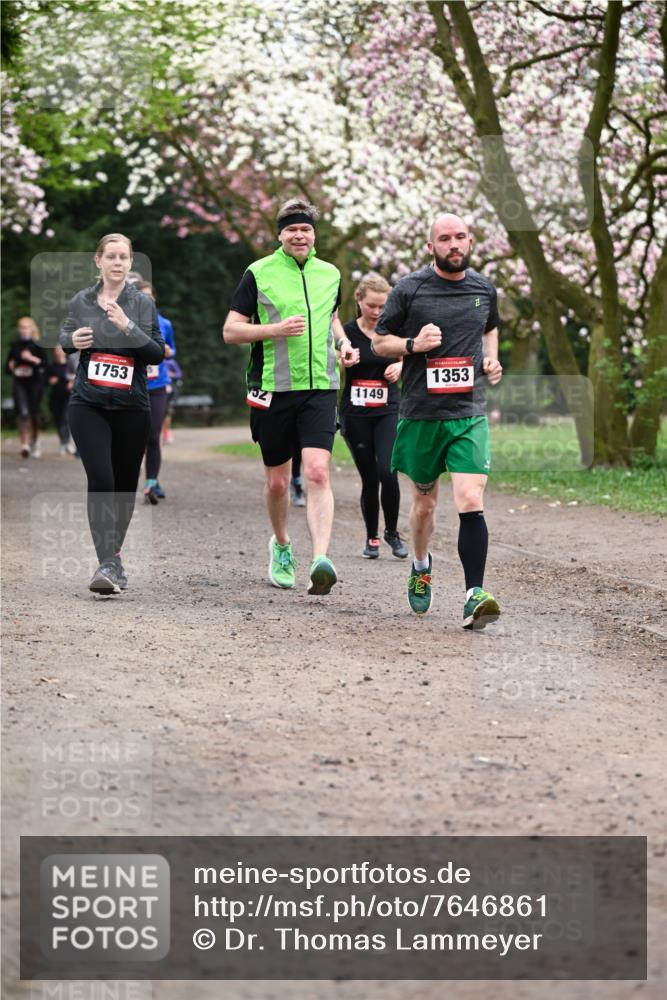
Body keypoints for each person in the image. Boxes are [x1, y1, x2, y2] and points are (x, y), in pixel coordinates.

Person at [223, 197, 359, 595]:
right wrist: (274, 330)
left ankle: (320, 559)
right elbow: (231, 330)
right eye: (292, 229)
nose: (299, 235)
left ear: (314, 235)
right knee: (279, 483)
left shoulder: (330, 273)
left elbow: (332, 317)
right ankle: (282, 544)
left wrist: (344, 343)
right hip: (272, 387)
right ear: (280, 234)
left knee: (317, 471)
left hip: (320, 385)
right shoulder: (258, 273)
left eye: (306, 229)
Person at [373, 213, 503, 629]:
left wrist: (491, 359)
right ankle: (420, 563)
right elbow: (379, 341)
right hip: (422, 414)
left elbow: (491, 327)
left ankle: (473, 596)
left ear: (470, 241)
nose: (454, 244)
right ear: (431, 246)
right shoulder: (409, 289)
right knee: (425, 506)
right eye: (444, 238)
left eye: (460, 237)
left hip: (468, 414)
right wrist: (412, 344)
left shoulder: (484, 288)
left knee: (470, 499)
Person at [59, 233, 165, 595]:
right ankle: (107, 562)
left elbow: (155, 353)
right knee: (101, 479)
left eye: (124, 257)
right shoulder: (82, 300)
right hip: (87, 404)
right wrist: (71, 342)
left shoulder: (141, 304)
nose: (118, 263)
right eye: (111, 256)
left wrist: (127, 326)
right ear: (98, 261)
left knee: (123, 486)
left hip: (132, 407)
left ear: (131, 263)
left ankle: (112, 559)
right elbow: (64, 334)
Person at [339, 273, 408, 560]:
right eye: (372, 306)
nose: (378, 312)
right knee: (369, 478)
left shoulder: (393, 331)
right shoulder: (346, 332)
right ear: (359, 301)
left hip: (388, 410)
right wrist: (343, 362)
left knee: (387, 472)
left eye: (383, 306)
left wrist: (401, 367)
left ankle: (392, 531)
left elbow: (411, 354)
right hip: (355, 414)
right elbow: (332, 369)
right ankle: (372, 537)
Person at [134, 280, 176, 503]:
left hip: (158, 385)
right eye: (142, 297)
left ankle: (151, 482)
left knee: (153, 434)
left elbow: (172, 349)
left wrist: (168, 351)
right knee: (133, 437)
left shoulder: (164, 323)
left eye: (150, 296)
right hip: (134, 386)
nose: (147, 300)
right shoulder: (126, 322)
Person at [6, 316, 48, 458]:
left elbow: (46, 365)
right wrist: (10, 366)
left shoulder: (38, 345)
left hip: (35, 383)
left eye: (27, 327)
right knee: (22, 413)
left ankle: (35, 441)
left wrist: (32, 359)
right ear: (19, 329)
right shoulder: (15, 345)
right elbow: (7, 368)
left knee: (33, 414)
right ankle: (24, 444)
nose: (24, 330)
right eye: (22, 327)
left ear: (32, 329)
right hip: (19, 383)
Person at [48, 344, 77, 454]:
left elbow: (77, 374)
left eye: (60, 350)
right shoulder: (52, 366)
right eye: (56, 350)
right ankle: (62, 442)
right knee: (58, 420)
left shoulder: (70, 364)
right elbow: (46, 379)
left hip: (68, 395)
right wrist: (50, 380)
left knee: (66, 418)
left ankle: (68, 442)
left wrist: (71, 381)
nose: (58, 352)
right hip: (55, 397)